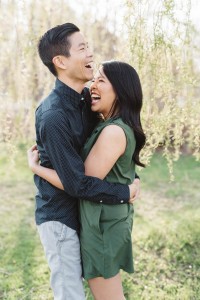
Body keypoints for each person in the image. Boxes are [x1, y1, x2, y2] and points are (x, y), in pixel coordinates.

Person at [28, 22, 140, 300]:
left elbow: (113, 147)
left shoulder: (86, 101)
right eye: (82, 48)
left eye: (89, 46)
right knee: (70, 295)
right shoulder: (53, 115)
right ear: (61, 61)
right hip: (61, 217)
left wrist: (133, 178)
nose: (90, 53)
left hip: (89, 215)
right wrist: (124, 192)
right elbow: (77, 183)